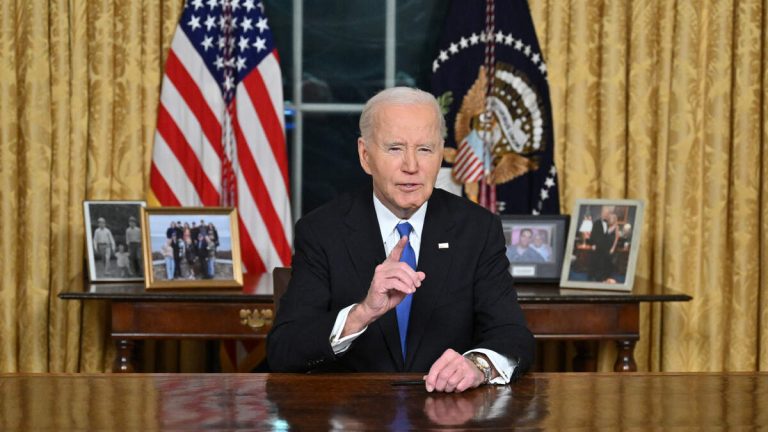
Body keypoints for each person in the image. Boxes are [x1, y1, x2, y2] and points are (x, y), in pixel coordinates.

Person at [267, 87, 533, 393]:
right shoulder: (322, 231)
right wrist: (362, 313)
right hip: (353, 409)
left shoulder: (477, 229)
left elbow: (513, 335)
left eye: (425, 149)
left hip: (449, 410)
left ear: (440, 154)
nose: (411, 166)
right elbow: (284, 349)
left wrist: (478, 366)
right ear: (365, 156)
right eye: (395, 148)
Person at [588, 206, 619, 282]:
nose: (606, 214)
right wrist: (593, 244)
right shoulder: (596, 223)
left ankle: (603, 278)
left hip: (606, 248)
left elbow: (613, 237)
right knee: (596, 263)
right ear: (601, 213)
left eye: (607, 213)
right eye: (605, 213)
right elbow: (593, 235)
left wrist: (612, 248)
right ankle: (593, 278)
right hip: (598, 247)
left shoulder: (609, 223)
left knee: (605, 264)